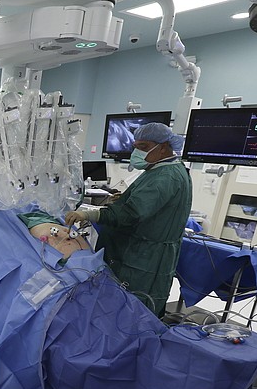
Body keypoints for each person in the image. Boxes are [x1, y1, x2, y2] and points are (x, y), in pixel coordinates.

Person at [65, 122, 192, 317]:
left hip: (141, 259)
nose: (138, 152)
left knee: (132, 315)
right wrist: (123, 199)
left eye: (144, 148)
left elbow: (131, 213)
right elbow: (142, 203)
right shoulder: (160, 169)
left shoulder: (165, 177)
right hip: (136, 253)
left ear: (164, 147)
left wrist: (91, 214)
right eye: (136, 147)